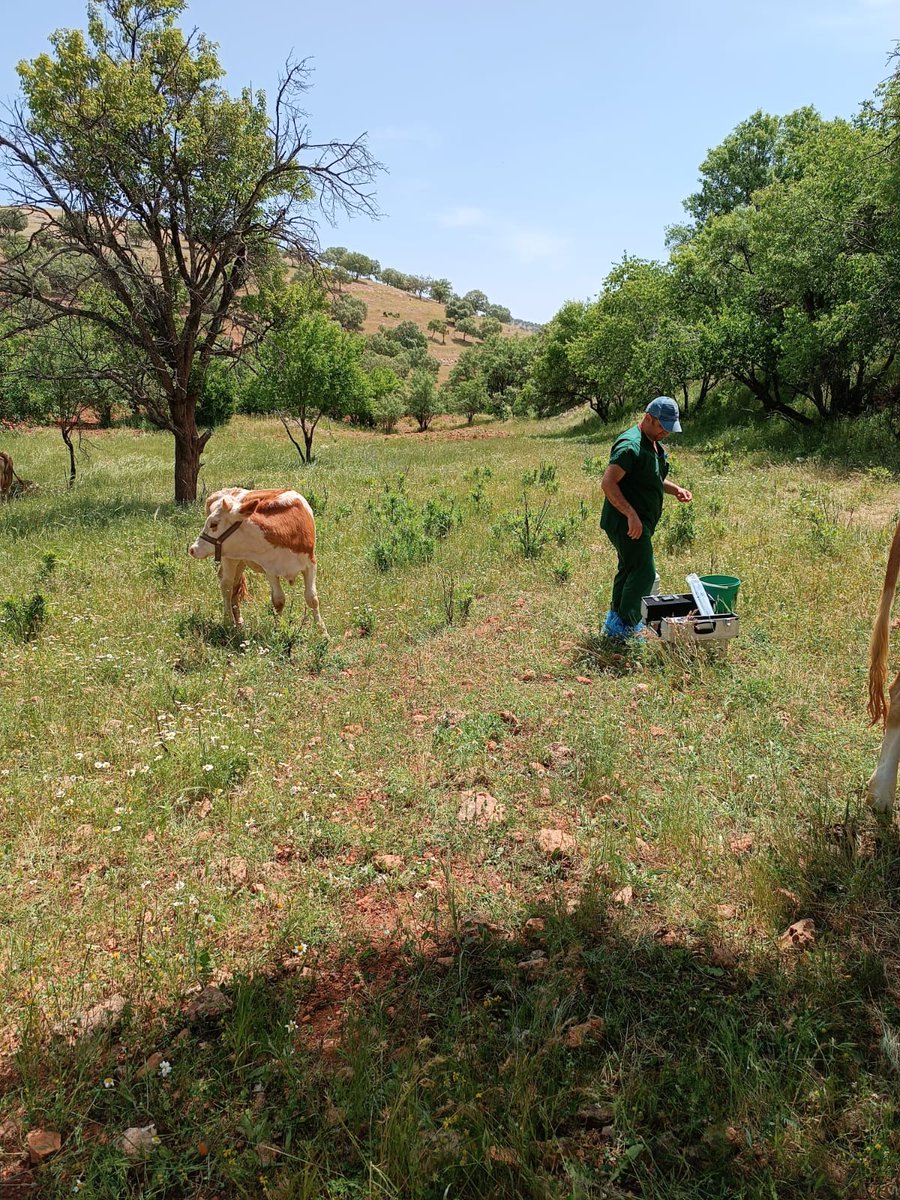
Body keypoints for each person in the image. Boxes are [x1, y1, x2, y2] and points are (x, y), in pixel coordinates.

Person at [599, 396, 693, 639]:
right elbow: (608, 483)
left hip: (639, 522)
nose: (666, 433)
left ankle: (615, 623)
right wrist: (631, 514)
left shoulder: (651, 442)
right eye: (662, 427)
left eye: (670, 429)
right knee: (644, 572)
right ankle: (628, 627)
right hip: (627, 523)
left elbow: (651, 478)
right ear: (648, 418)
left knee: (629, 568)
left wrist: (676, 490)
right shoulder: (630, 445)